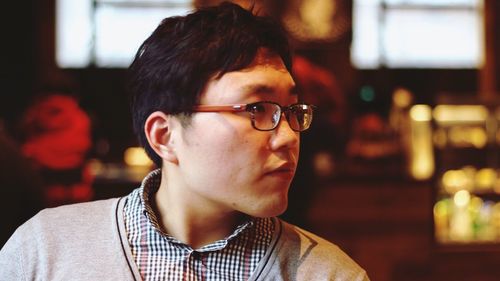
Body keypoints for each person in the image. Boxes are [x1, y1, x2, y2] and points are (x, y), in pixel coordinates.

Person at [0, 3, 369, 280]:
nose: (288, 136)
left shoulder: (329, 274)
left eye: (291, 110)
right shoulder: (45, 250)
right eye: (256, 107)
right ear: (165, 136)